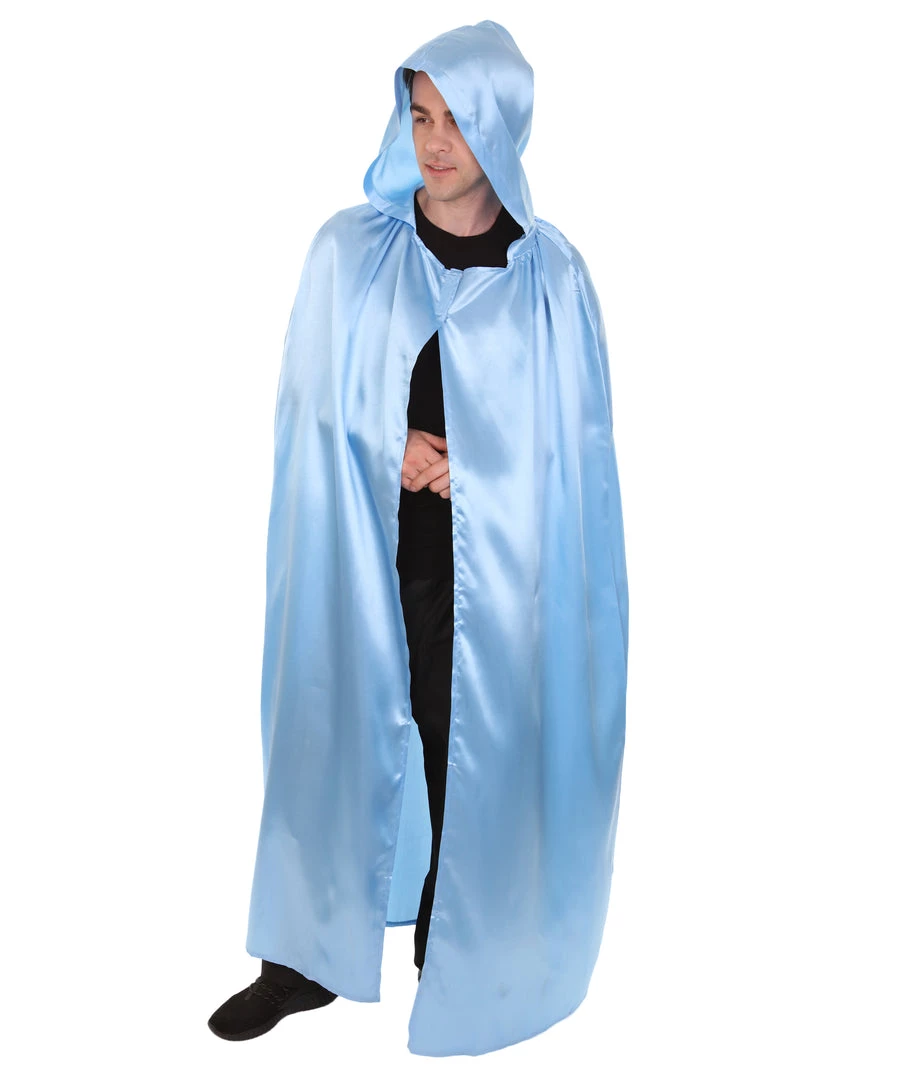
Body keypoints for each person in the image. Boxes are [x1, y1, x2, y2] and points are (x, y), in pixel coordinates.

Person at [208, 20, 629, 1058]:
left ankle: (464, 947)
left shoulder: (550, 277)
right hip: (357, 553)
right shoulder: (349, 253)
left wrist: (476, 465)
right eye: (420, 116)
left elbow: (573, 454)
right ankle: (301, 959)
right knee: (328, 735)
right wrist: (385, 445)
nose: (435, 143)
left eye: (458, 121)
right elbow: (306, 405)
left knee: (468, 745)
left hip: (496, 578)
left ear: (504, 128)